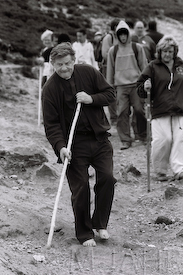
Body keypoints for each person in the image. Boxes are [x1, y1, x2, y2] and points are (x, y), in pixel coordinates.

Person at [42, 42, 117, 246]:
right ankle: (84, 233)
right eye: (59, 65)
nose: (64, 68)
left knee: (108, 178)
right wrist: (61, 147)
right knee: (81, 187)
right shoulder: (49, 89)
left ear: (74, 60)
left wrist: (91, 98)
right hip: (73, 145)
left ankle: (100, 224)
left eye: (67, 63)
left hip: (99, 138)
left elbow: (111, 94)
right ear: (52, 65)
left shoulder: (89, 72)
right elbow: (51, 125)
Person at [137, 35, 183, 181]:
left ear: (175, 51)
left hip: (179, 108)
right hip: (159, 108)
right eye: (164, 51)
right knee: (164, 139)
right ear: (159, 52)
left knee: (180, 137)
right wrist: (145, 87)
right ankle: (160, 170)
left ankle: (179, 169)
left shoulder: (180, 66)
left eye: (170, 51)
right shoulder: (152, 67)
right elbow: (140, 88)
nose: (167, 54)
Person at [107, 20, 148, 149]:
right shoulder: (113, 51)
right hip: (120, 86)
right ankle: (125, 139)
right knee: (122, 113)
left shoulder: (137, 48)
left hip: (136, 85)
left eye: (125, 34)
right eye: (120, 34)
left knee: (139, 111)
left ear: (128, 34)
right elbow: (110, 70)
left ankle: (141, 135)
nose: (123, 37)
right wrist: (109, 87)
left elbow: (144, 66)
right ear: (117, 36)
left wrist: (147, 81)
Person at [102, 18, 120, 125]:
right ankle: (113, 117)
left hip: (119, 68)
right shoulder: (109, 37)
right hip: (109, 68)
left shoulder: (122, 37)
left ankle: (119, 115)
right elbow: (105, 53)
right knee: (111, 92)